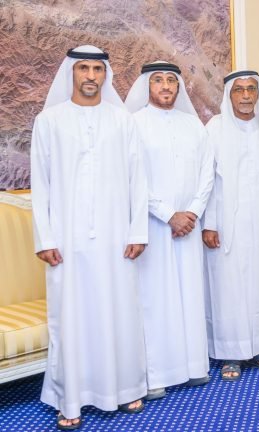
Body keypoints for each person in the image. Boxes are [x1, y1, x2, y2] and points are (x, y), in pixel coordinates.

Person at [31, 45, 148, 430]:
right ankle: (71, 398)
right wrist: (45, 238)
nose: (91, 76)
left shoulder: (122, 120)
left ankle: (125, 388)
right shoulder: (49, 120)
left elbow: (137, 180)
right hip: (67, 239)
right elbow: (41, 183)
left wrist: (138, 230)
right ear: (72, 73)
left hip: (117, 237)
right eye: (83, 68)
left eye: (97, 69)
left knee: (119, 310)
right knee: (72, 316)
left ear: (105, 75)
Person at [125, 61, 214, 399]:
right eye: (158, 80)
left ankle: (193, 367)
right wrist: (168, 214)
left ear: (178, 87)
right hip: (152, 227)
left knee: (189, 294)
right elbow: (133, 179)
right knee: (156, 298)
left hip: (188, 225)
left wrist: (192, 212)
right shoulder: (133, 124)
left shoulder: (193, 125)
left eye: (171, 81)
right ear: (147, 86)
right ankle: (157, 374)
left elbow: (207, 172)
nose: (165, 86)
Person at [203, 70, 259, 380]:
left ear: (257, 94)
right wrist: (209, 224)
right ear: (229, 95)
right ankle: (231, 354)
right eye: (239, 90)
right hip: (227, 222)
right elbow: (207, 181)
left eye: (251, 89)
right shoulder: (214, 129)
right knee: (229, 287)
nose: (245, 95)